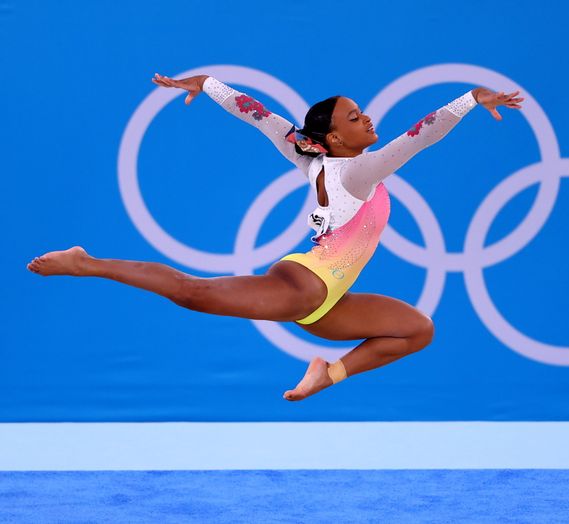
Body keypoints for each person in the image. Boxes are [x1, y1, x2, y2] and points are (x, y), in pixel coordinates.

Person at [27, 72, 524, 401]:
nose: (366, 118)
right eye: (354, 118)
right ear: (333, 138)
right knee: (192, 292)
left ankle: (326, 374)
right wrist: (470, 100)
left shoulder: (313, 156)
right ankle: (85, 262)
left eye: (361, 111)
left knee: (418, 329)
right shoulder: (360, 172)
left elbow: (257, 113)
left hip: (328, 303)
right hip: (303, 286)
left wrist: (208, 83)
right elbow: (422, 133)